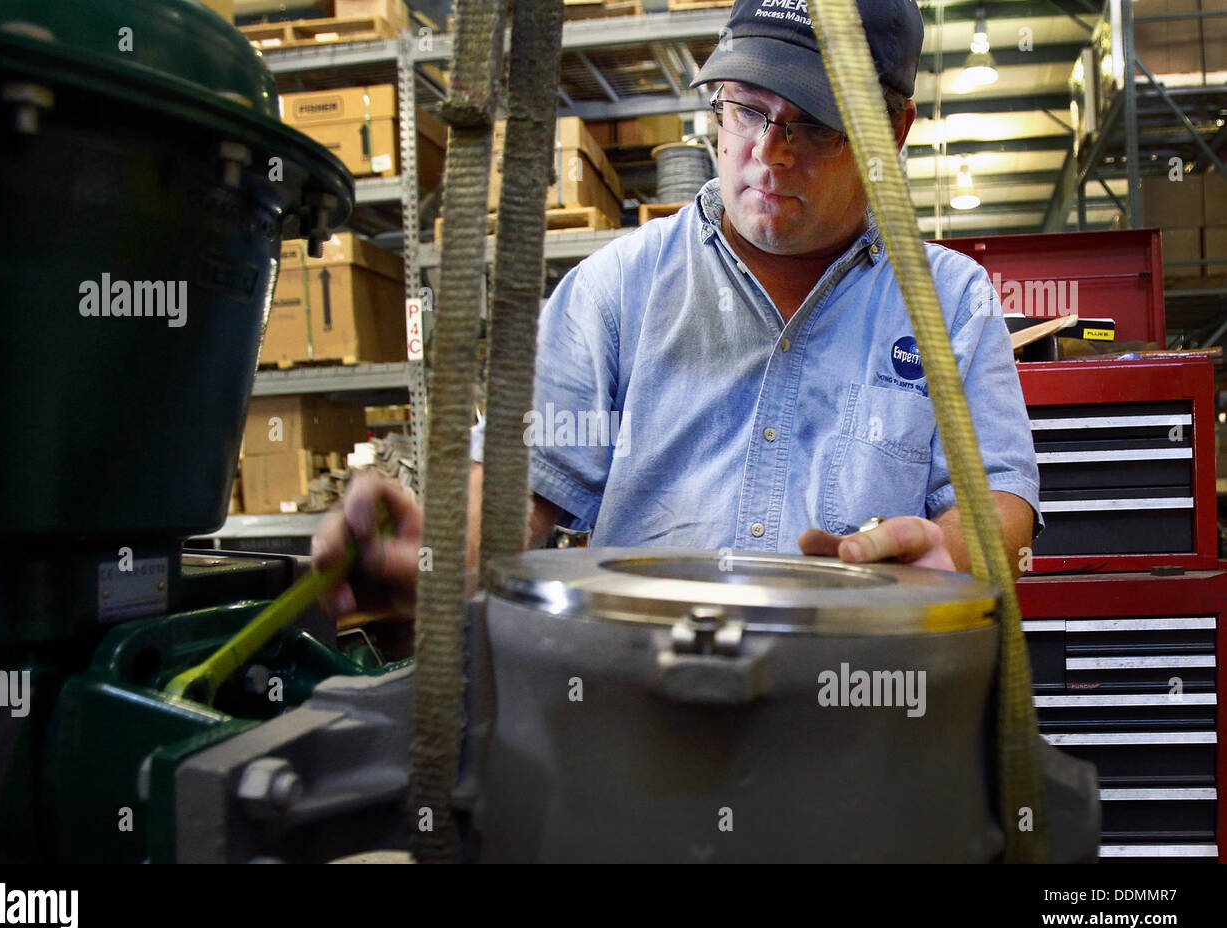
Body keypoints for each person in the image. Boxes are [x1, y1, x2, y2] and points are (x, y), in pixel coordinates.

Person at [311, 0, 1041, 619]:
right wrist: (436, 548)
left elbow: (1001, 498)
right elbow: (518, 489)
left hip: (851, 710)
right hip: (637, 711)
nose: (769, 152)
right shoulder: (617, 292)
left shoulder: (950, 302)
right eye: (750, 107)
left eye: (817, 124)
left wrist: (953, 547)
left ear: (896, 130)